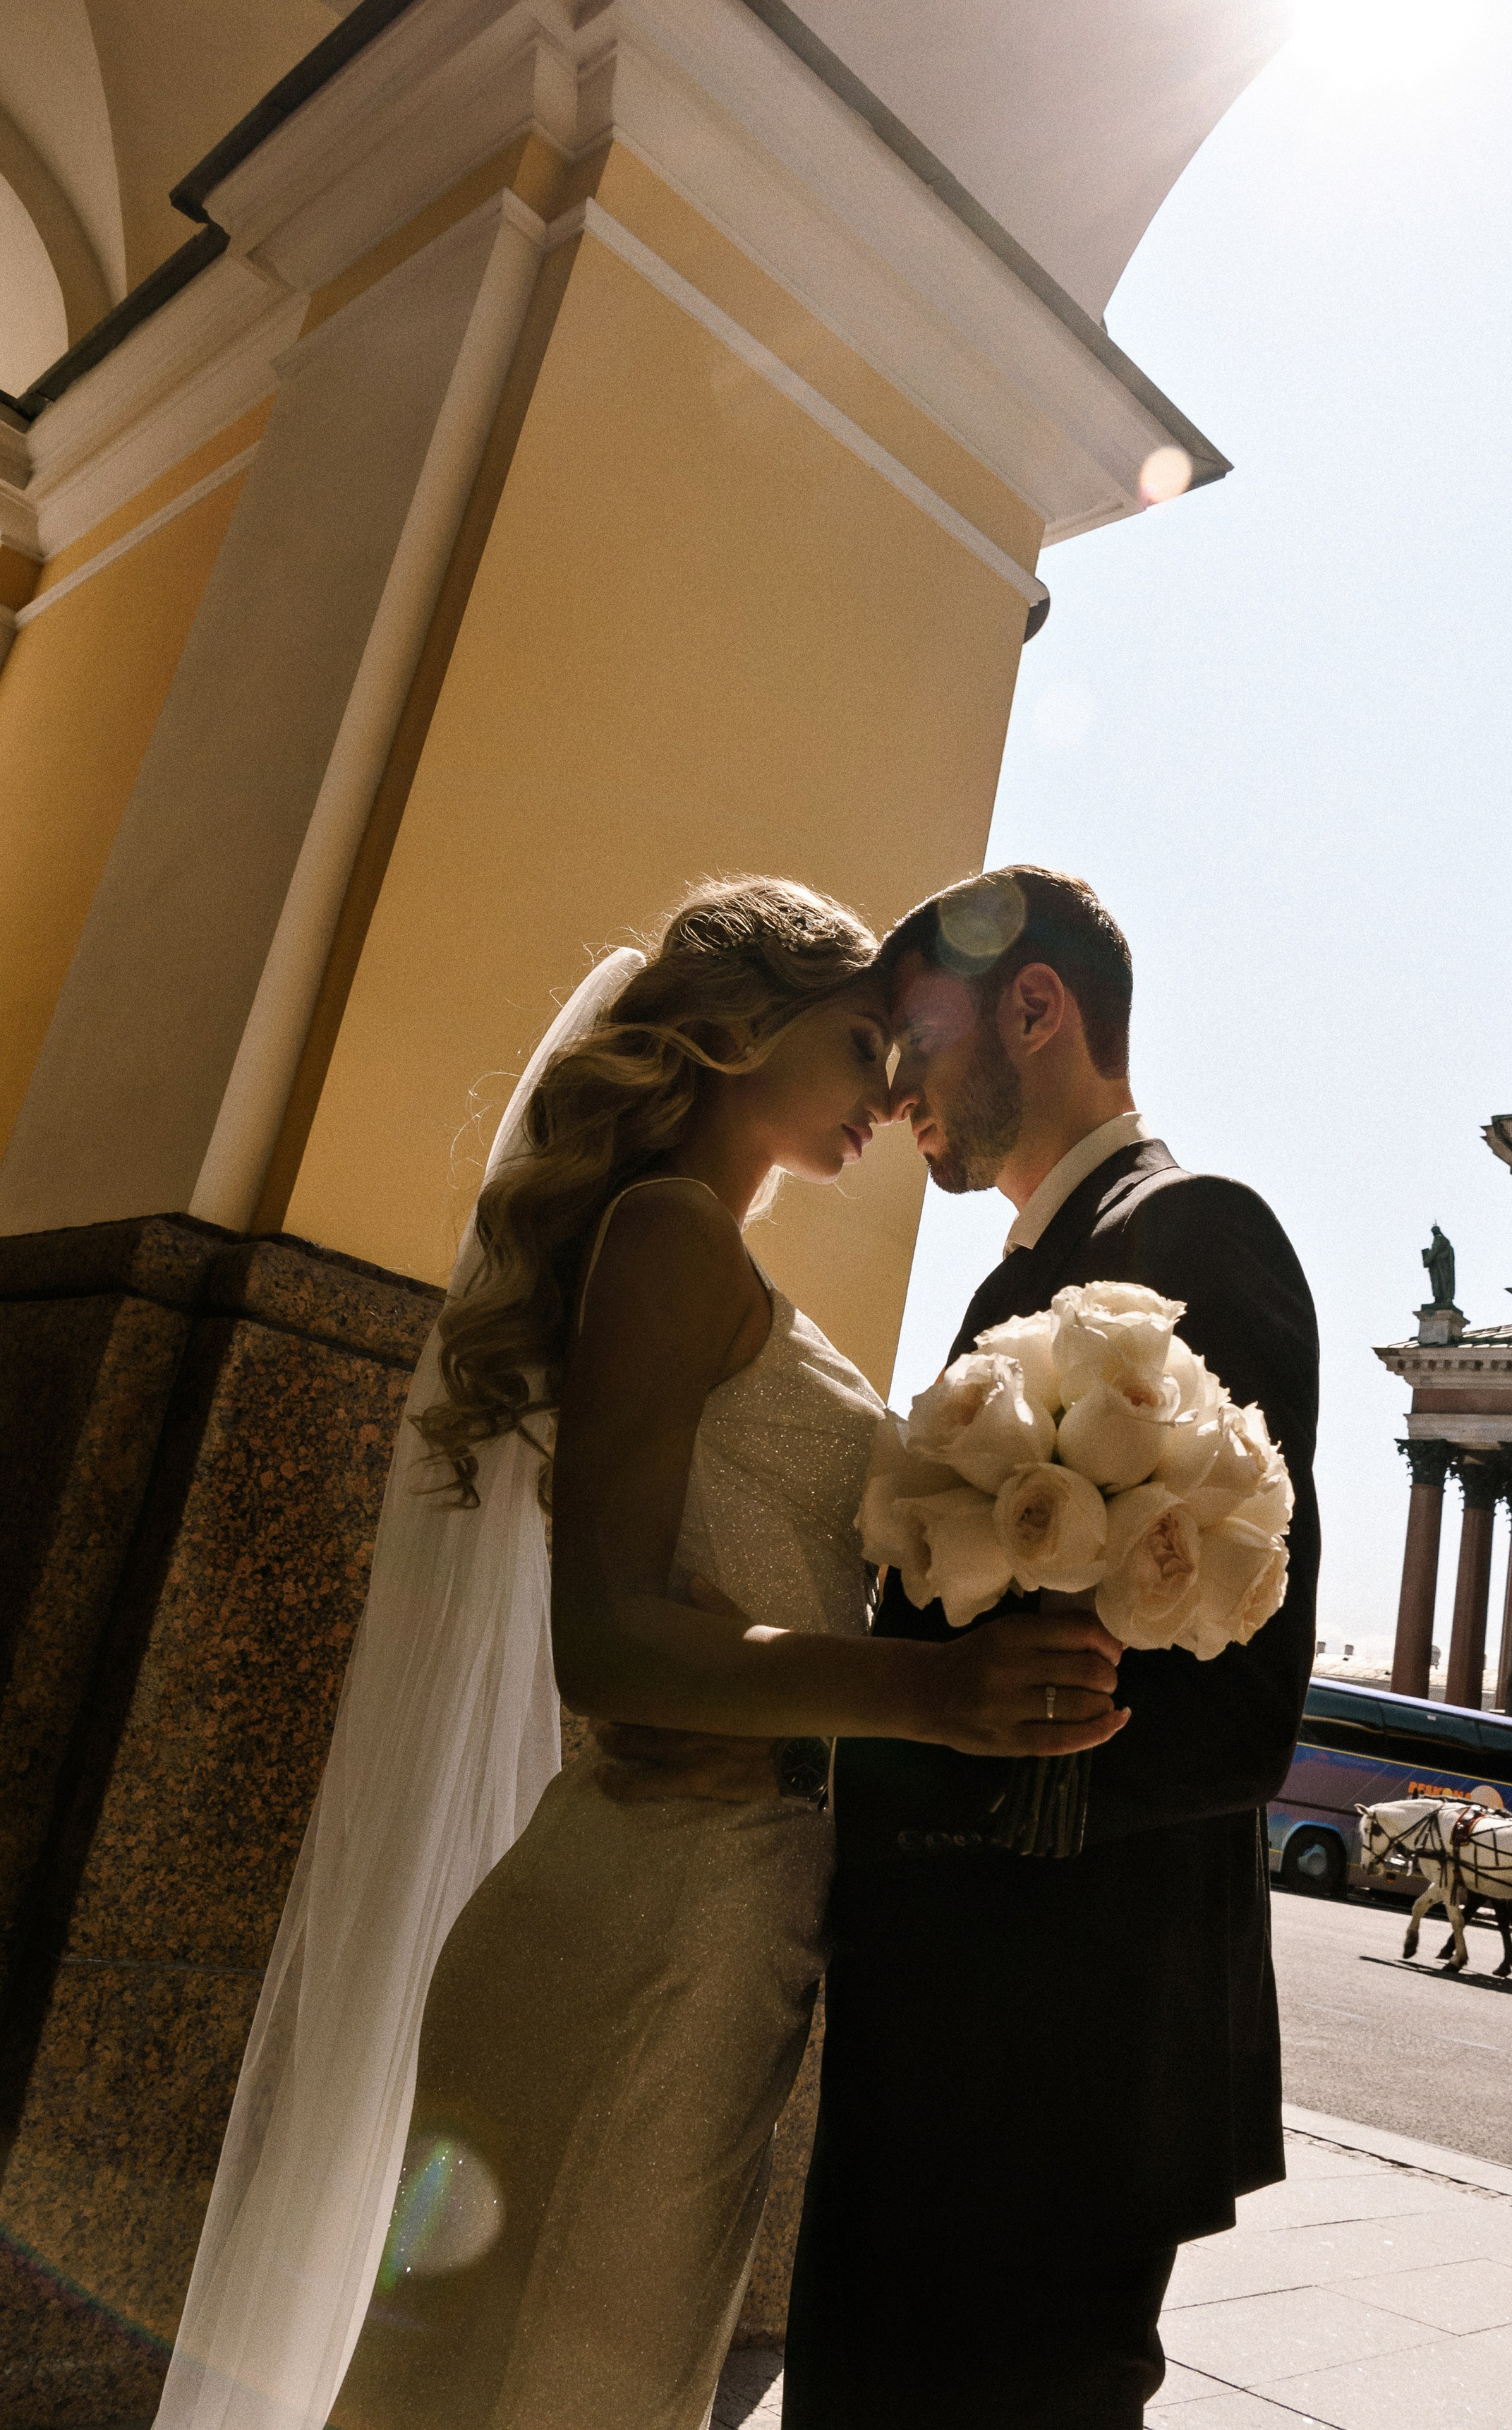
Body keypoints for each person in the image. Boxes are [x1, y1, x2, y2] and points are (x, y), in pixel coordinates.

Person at [159, 880, 1125, 2430]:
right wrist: (927, 1698)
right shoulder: (666, 1234)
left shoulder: (708, 1259)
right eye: (869, 1036)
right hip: (647, 1911)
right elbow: (604, 1639)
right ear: (742, 1028)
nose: (893, 1085)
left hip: (709, 1914)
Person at [782, 866, 1321, 2430]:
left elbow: (1239, 1693)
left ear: (1033, 1005)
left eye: (908, 1037)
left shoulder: (1192, 1233)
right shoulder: (1026, 1267)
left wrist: (938, 1761)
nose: (889, 1091)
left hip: (1059, 2045)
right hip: (941, 2019)